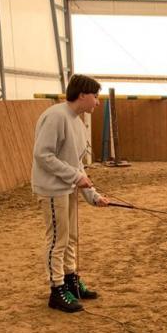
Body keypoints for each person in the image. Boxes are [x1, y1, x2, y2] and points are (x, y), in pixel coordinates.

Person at [31, 74, 109, 314]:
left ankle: (70, 279)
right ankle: (56, 290)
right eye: (95, 96)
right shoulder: (56, 116)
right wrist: (75, 177)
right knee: (58, 240)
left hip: (69, 188)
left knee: (71, 237)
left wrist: (93, 195)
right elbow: (43, 155)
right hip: (52, 189)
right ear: (82, 95)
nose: (97, 102)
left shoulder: (78, 122)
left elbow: (77, 164)